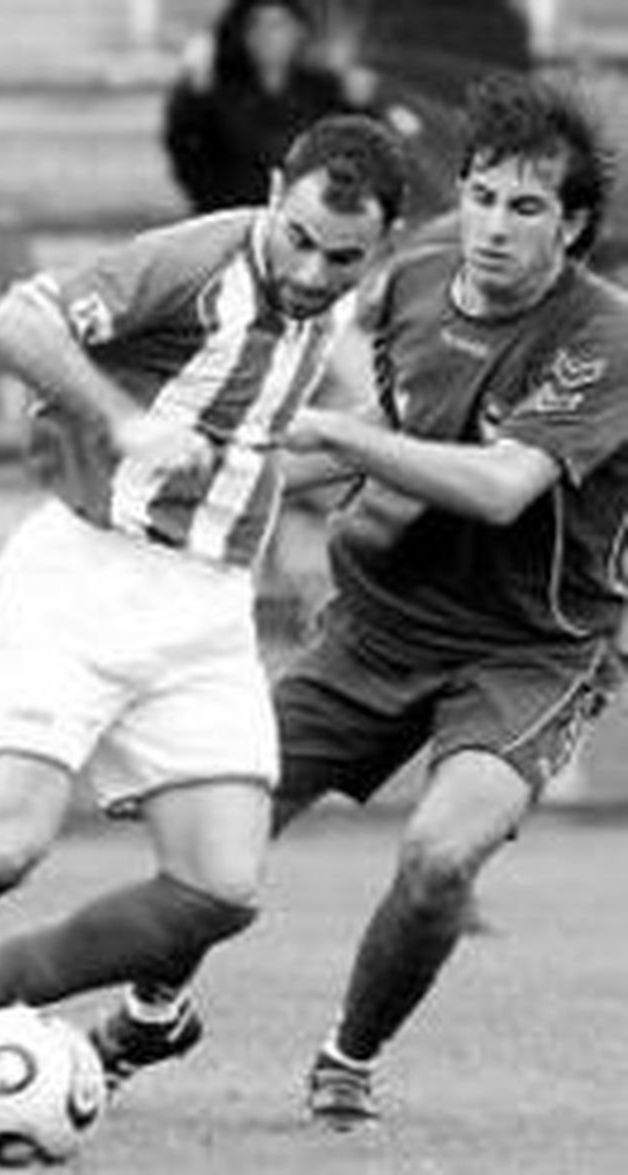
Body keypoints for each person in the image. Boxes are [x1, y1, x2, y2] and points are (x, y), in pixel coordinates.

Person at [0, 113, 409, 1148]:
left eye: (342, 256)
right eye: (297, 237)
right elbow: (15, 320)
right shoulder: (197, 261)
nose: (310, 269)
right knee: (6, 841)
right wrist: (123, 426)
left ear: (376, 245)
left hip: (204, 610)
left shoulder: (326, 317)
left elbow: (321, 438)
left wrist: (273, 465)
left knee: (218, 886)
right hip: (80, 576)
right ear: (271, 191)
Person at [101, 72, 628, 1130]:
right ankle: (152, 1008)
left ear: (570, 228)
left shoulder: (606, 338)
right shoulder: (411, 281)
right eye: (480, 193)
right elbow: (368, 452)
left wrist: (338, 433)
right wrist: (187, 483)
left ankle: (347, 1056)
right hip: (377, 623)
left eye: (526, 207)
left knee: (438, 857)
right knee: (214, 836)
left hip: (531, 647)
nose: (491, 224)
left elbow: (496, 485)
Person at [164, 0, 373, 213]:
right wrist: (191, 96)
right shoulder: (216, 90)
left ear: (299, 30)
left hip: (309, 220)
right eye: (257, 25)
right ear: (243, 34)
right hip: (234, 219)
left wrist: (359, 105)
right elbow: (186, 149)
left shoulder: (324, 89)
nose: (269, 36)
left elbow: (360, 148)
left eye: (279, 25)